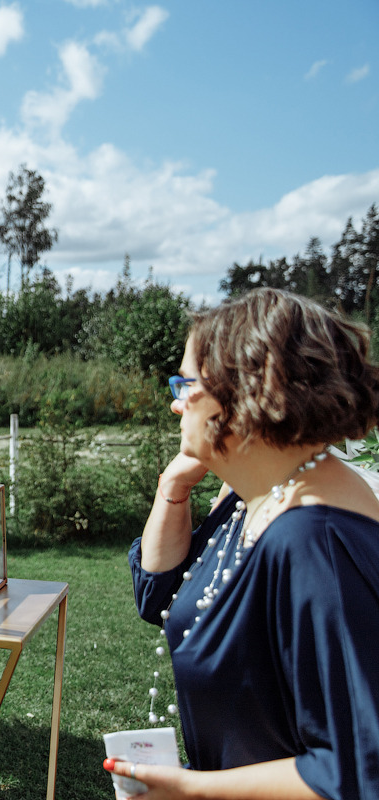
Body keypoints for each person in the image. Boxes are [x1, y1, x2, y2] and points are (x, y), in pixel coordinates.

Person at [111, 288, 379, 799]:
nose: (176, 402)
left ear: (250, 392)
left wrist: (195, 790)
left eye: (188, 383)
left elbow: (359, 771)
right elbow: (160, 596)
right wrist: (174, 484)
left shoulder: (313, 540)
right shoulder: (258, 500)